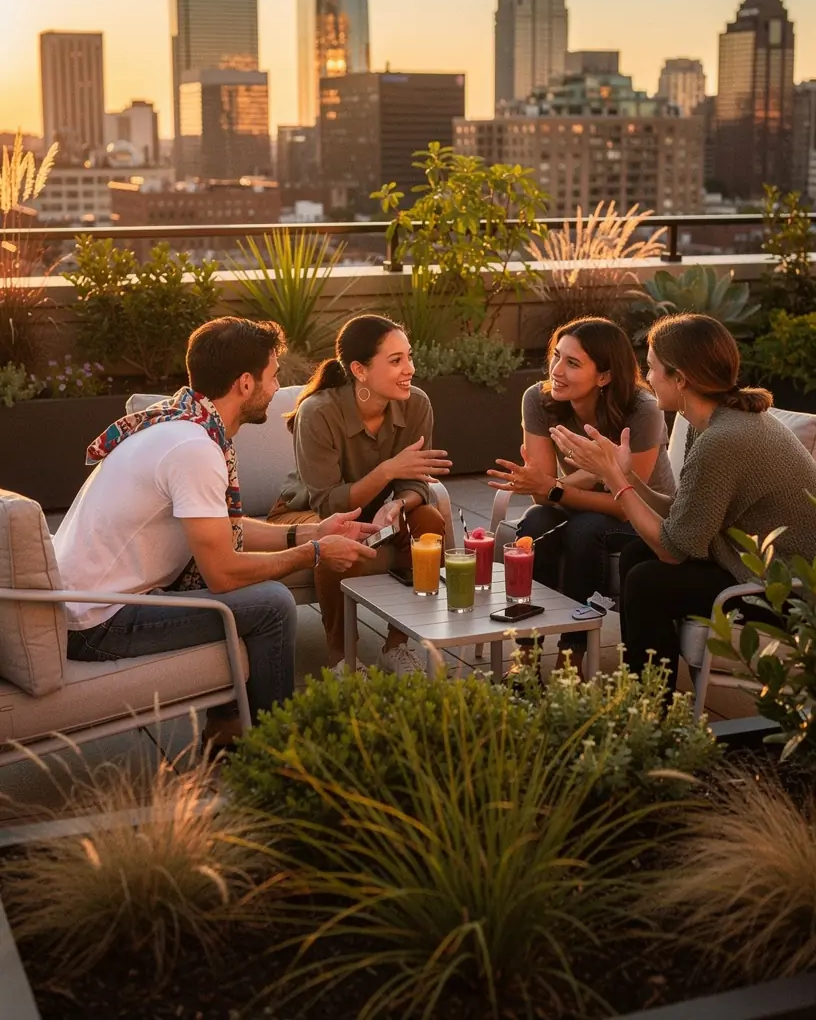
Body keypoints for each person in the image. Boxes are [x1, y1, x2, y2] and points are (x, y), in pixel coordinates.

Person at [55, 317, 378, 747]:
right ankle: (271, 747)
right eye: (272, 376)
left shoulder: (179, 426)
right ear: (245, 383)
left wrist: (310, 532)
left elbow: (224, 529)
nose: (276, 386)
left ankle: (228, 731)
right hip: (97, 622)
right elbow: (223, 574)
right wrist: (316, 553)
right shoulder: (194, 450)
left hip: (83, 604)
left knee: (253, 599)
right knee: (271, 604)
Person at [549, 313, 816, 691]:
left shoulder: (723, 439)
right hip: (747, 566)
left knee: (648, 581)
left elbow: (674, 550)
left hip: (787, 593)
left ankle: (651, 704)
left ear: (681, 379)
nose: (647, 377)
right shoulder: (708, 422)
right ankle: (645, 689)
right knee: (636, 554)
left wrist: (614, 480)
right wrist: (626, 476)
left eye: (653, 368)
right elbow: (681, 512)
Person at [488, 316, 674, 677]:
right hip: (581, 504)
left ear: (604, 376)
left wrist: (558, 487)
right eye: (556, 356)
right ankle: (526, 651)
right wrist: (552, 486)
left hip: (647, 516)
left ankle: (571, 657)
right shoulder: (539, 400)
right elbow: (543, 497)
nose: (556, 370)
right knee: (536, 523)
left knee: (585, 530)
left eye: (572, 363)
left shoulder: (642, 409)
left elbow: (625, 506)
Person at [270, 314, 452, 675]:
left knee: (429, 520)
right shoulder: (318, 412)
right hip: (306, 512)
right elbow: (328, 504)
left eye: (409, 357)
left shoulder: (416, 404)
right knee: (336, 532)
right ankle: (341, 659)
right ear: (359, 370)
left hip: (377, 509)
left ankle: (396, 646)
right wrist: (387, 470)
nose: (410, 369)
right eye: (396, 360)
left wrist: (397, 504)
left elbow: (416, 484)